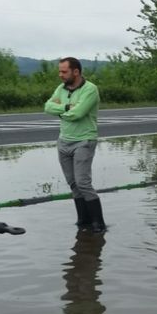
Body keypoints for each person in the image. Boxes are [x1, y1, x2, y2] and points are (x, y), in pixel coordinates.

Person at [44, 56, 105, 232]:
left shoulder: (90, 89)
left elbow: (78, 114)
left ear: (76, 72)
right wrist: (65, 108)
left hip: (84, 141)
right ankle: (83, 221)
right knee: (73, 184)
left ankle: (98, 224)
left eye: (64, 71)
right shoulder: (61, 88)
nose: (60, 75)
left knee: (83, 183)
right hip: (63, 142)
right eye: (59, 71)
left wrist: (63, 110)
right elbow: (47, 106)